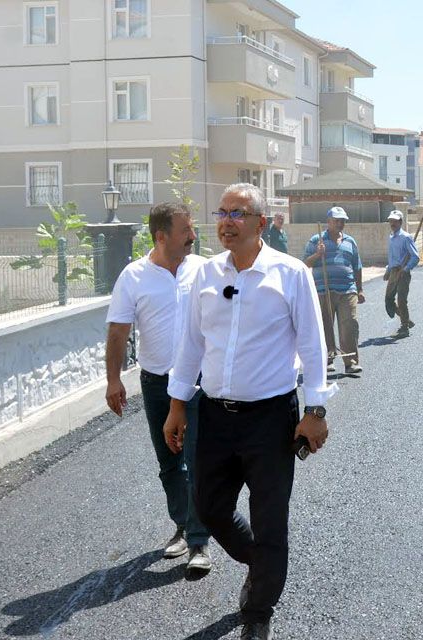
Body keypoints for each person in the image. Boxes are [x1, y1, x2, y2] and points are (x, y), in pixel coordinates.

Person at [163, 183, 333, 640]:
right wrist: (177, 404)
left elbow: (313, 347)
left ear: (261, 222)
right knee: (208, 506)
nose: (227, 220)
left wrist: (314, 410)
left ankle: (258, 610)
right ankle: (262, 563)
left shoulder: (290, 273)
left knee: (270, 518)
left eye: (239, 212)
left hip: (271, 419)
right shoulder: (205, 275)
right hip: (215, 416)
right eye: (222, 212)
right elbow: (191, 344)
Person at [104, 202, 213, 573]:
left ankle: (199, 542)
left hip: (200, 382)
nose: (193, 237)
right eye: (186, 230)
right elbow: (118, 331)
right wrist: (113, 379)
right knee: (170, 460)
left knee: (198, 458)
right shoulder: (133, 277)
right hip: (156, 384)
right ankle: (182, 526)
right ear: (161, 235)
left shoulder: (202, 270)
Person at [303, 206, 365, 375]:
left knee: (350, 325)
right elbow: (304, 264)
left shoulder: (350, 241)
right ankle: (328, 359)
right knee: (325, 326)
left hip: (347, 290)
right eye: (336, 220)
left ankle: (351, 362)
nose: (340, 223)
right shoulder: (316, 240)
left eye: (342, 221)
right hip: (323, 290)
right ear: (328, 222)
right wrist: (317, 255)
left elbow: (357, 266)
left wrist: (359, 289)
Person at [384, 210, 419, 337]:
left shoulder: (406, 237)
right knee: (388, 300)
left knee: (401, 300)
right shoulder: (391, 237)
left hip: (403, 272)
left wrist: (405, 269)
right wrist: (388, 270)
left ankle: (404, 327)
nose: (392, 223)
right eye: (390, 220)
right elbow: (392, 257)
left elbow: (415, 257)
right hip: (393, 271)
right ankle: (407, 320)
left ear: (400, 222)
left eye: (395, 221)